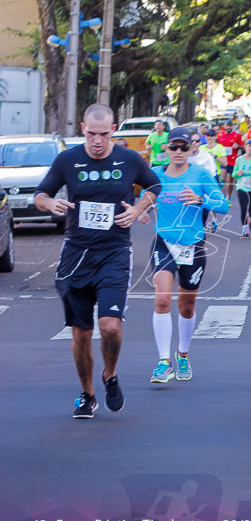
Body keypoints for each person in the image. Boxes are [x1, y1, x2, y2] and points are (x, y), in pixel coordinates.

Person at [34, 104, 161, 418]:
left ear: (113, 130)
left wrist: (138, 207)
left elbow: (155, 185)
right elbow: (40, 194)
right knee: (80, 331)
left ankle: (110, 375)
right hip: (76, 255)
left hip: (115, 253)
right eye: (91, 134)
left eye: (104, 134)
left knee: (110, 327)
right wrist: (51, 203)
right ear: (82, 129)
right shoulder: (68, 160)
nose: (97, 141)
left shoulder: (129, 159)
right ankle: (87, 393)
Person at [149, 127, 230, 384]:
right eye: (174, 147)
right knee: (162, 300)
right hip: (164, 242)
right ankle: (164, 361)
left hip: (193, 246)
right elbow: (144, 198)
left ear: (191, 149)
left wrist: (201, 199)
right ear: (166, 149)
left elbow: (224, 205)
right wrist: (138, 210)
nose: (179, 152)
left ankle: (183, 354)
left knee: (186, 306)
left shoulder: (201, 174)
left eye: (184, 147)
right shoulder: (155, 175)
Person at [217, 122, 244, 197]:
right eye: (227, 125)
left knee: (230, 181)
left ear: (232, 126)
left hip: (232, 161)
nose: (228, 127)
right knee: (222, 179)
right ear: (224, 126)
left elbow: (243, 146)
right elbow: (216, 144)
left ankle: (228, 196)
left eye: (230, 125)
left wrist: (238, 145)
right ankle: (222, 196)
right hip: (223, 160)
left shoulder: (237, 135)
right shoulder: (220, 135)